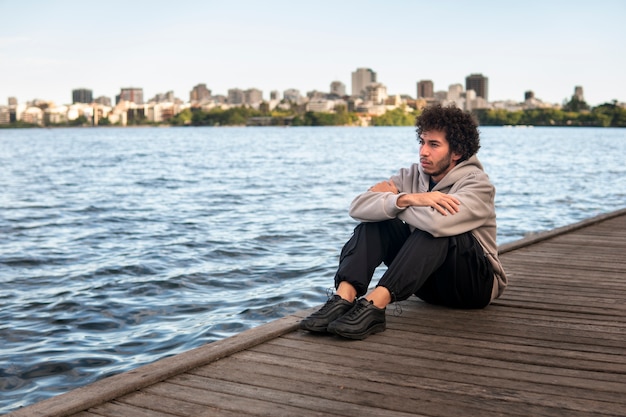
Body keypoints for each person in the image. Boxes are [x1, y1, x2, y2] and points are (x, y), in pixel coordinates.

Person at [300, 104, 508, 340]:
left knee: (435, 230)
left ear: (457, 152)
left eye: (434, 145)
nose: (423, 152)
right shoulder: (411, 176)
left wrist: (392, 202)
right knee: (375, 223)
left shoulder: (477, 185)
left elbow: (438, 224)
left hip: (473, 288)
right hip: (427, 286)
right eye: (422, 142)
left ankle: (374, 305)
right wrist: (408, 199)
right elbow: (357, 207)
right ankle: (343, 297)